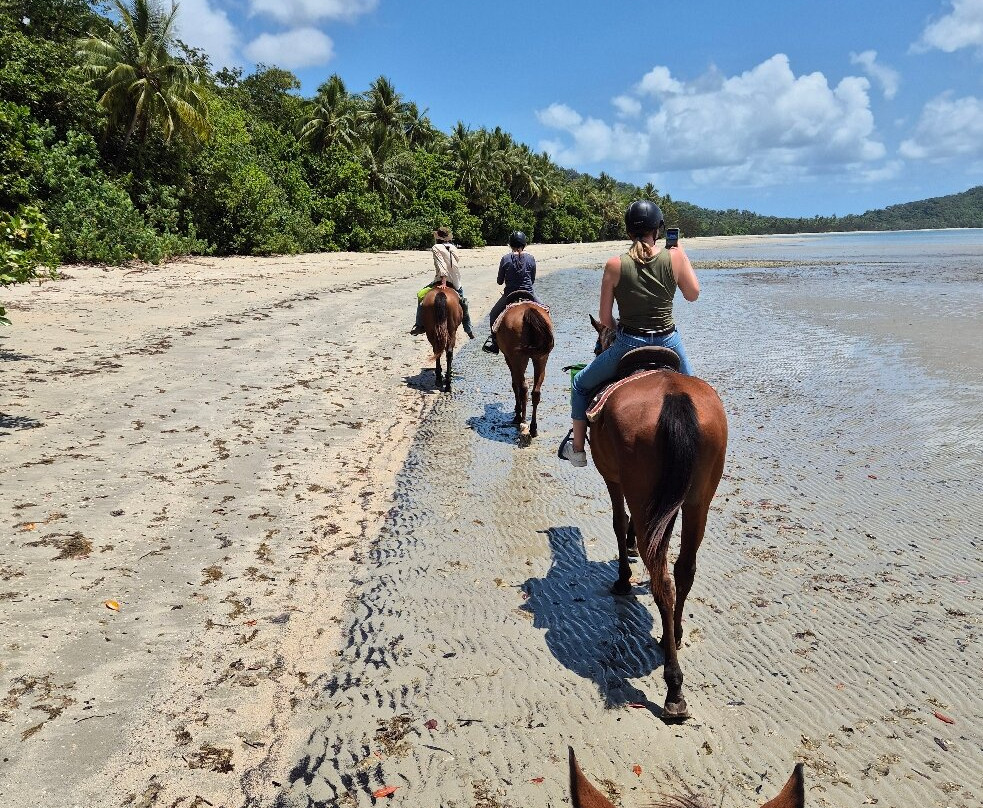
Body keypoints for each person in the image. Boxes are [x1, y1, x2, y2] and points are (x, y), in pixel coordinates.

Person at [559, 200, 700, 467]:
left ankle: (577, 449)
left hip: (628, 342)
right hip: (670, 340)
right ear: (658, 229)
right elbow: (693, 295)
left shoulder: (615, 264)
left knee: (579, 385)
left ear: (627, 232)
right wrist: (680, 253)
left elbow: (604, 319)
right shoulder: (675, 257)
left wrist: (621, 329)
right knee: (698, 393)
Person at [482, 230, 540, 354]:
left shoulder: (505, 258)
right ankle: (548, 338)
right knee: (546, 311)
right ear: (524, 244)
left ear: (511, 244)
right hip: (529, 293)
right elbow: (532, 280)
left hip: (510, 294)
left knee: (493, 315)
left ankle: (494, 343)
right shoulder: (531, 258)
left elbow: (499, 281)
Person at [411, 226, 475, 338]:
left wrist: (444, 281)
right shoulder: (454, 248)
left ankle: (419, 325)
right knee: (463, 302)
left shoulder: (436, 247)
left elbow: (442, 264)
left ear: (438, 237)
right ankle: (468, 328)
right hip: (456, 281)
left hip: (441, 279)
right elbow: (455, 263)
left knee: (421, 295)